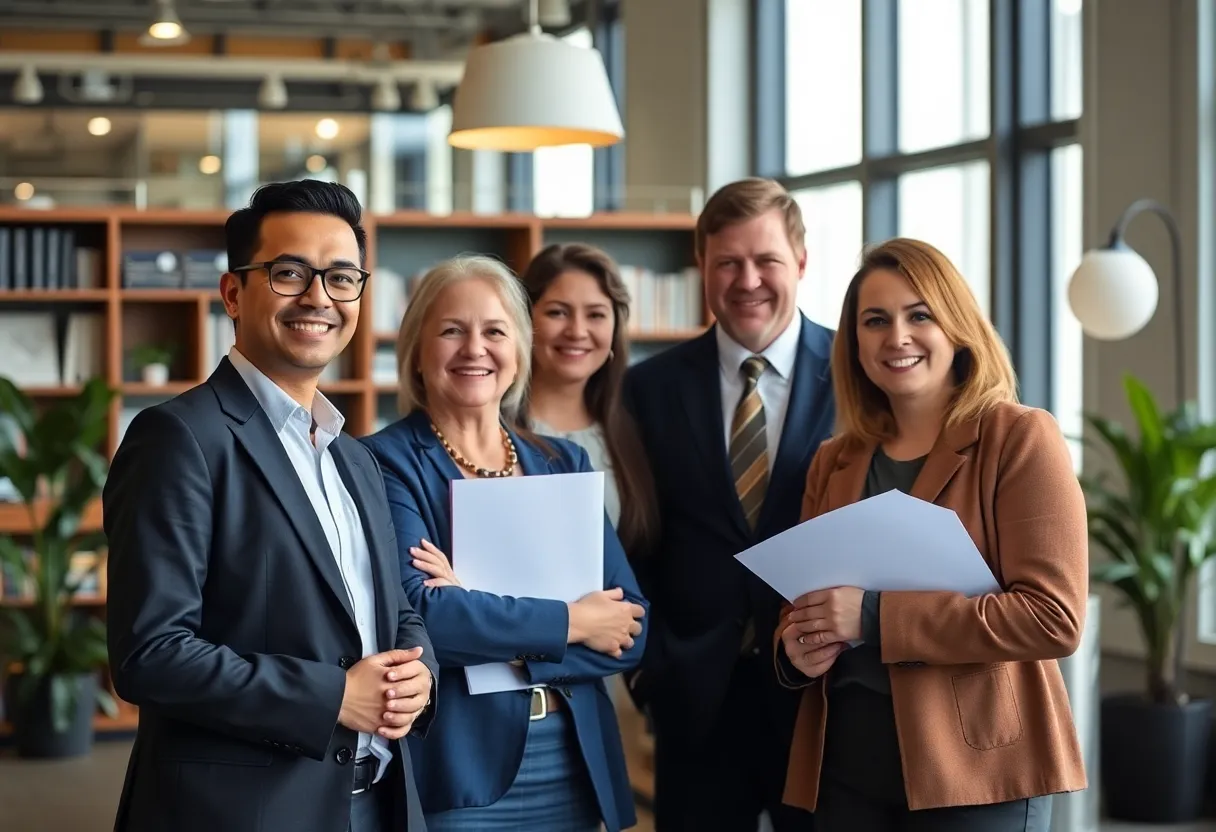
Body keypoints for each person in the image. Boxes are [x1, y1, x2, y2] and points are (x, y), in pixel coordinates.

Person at [103, 180, 438, 832]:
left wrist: (416, 676)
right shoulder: (180, 438)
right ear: (234, 293)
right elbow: (151, 653)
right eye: (289, 273)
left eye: (342, 278)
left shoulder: (354, 456)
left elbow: (394, 609)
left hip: (380, 803)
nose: (319, 297)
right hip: (244, 814)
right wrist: (336, 696)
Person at [775, 238, 1087, 831]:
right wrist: (794, 648)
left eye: (920, 314)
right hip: (844, 761)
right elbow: (803, 604)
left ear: (957, 327)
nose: (897, 336)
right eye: (875, 320)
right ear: (855, 343)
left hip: (975, 767)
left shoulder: (1018, 438)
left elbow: (1052, 617)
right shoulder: (833, 461)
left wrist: (871, 617)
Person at [361, 254, 649, 832]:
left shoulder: (561, 461)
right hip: (462, 769)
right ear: (417, 349)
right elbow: (425, 619)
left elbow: (630, 630)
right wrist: (572, 620)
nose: (475, 349)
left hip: (574, 758)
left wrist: (483, 615)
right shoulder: (384, 462)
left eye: (494, 331)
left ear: (519, 349)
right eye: (451, 330)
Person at [623, 177, 835, 831]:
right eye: (728, 263)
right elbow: (638, 540)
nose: (748, 280)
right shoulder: (646, 389)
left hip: (824, 698)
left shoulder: (860, 376)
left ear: (800, 262)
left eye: (766, 260)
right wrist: (652, 671)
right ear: (702, 268)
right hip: (694, 698)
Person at [517, 242, 659, 563]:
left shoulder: (635, 430)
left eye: (596, 314)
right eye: (558, 312)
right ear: (526, 320)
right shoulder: (489, 429)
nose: (577, 331)